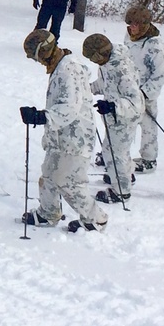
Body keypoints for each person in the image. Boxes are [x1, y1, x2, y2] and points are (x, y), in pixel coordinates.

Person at [20, 29, 108, 233]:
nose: (38, 63)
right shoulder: (60, 66)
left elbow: (70, 106)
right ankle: (48, 212)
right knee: (50, 174)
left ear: (43, 52)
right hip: (61, 136)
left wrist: (42, 117)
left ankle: (96, 219)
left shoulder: (69, 71)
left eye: (36, 58)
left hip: (75, 138)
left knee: (70, 182)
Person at [82, 33, 143, 203]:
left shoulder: (122, 71)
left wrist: (112, 106)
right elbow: (104, 83)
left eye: (93, 59)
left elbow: (135, 102)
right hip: (115, 118)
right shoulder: (108, 63)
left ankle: (121, 191)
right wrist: (87, 89)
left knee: (114, 153)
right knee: (117, 151)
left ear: (99, 55)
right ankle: (125, 175)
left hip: (124, 118)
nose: (93, 62)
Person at [124, 6, 164, 173]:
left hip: (145, 93)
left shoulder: (155, 45)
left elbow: (160, 74)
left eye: (136, 24)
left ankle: (149, 159)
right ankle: (117, 155)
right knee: (122, 122)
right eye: (130, 24)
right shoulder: (129, 37)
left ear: (144, 25)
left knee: (148, 124)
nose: (132, 27)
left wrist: (145, 93)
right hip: (128, 90)